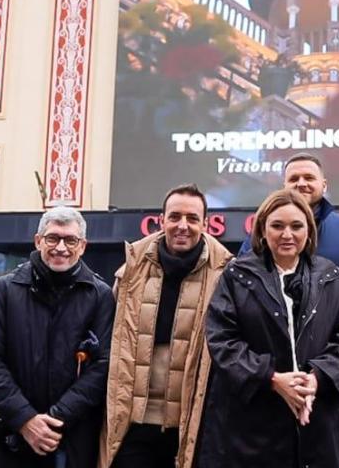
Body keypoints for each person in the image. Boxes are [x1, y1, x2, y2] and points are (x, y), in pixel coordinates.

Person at [200, 188, 339, 468]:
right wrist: (272, 379)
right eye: (277, 226)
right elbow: (222, 341)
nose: (287, 234)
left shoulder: (332, 277)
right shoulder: (236, 276)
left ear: (309, 232)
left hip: (318, 423)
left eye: (296, 226)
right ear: (263, 230)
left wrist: (316, 379)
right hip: (251, 427)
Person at [99, 184, 232, 468]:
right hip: (133, 427)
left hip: (192, 428)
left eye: (192, 218)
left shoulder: (225, 277)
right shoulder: (130, 273)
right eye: (175, 217)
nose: (182, 226)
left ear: (206, 224)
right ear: (162, 221)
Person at [0, 206, 115, 468]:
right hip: (10, 439)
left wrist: (54, 419)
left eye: (70, 240)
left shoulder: (100, 296)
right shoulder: (6, 289)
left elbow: (102, 368)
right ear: (38, 240)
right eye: (53, 238)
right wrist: (26, 420)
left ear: (82, 246)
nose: (61, 247)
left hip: (71, 441)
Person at [240, 153, 339, 272]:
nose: (301, 184)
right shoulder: (264, 232)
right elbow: (242, 278)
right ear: (285, 186)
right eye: (294, 179)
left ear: (324, 185)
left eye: (309, 178)